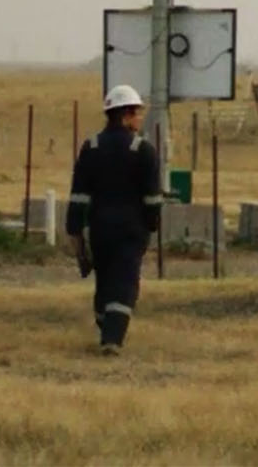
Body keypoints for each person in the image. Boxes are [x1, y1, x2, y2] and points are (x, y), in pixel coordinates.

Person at [66, 84, 162, 354]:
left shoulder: (91, 147)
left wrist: (74, 229)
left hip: (100, 229)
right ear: (126, 115)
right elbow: (152, 198)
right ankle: (112, 339)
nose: (140, 118)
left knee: (105, 279)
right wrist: (152, 223)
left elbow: (79, 196)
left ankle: (106, 325)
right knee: (125, 282)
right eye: (137, 113)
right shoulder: (143, 150)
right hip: (131, 230)